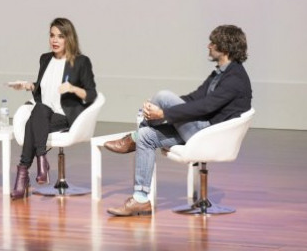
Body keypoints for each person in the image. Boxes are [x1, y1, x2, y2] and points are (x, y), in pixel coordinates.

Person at [105, 24, 251, 216]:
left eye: (212, 43)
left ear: (224, 47)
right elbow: (194, 98)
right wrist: (160, 109)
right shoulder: (221, 72)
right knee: (147, 137)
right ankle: (140, 199)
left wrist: (164, 113)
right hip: (200, 129)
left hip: (210, 135)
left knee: (163, 95)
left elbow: (205, 107)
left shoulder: (235, 79)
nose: (208, 46)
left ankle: (132, 136)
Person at [8, 17, 97, 200]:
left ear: (69, 38)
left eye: (60, 36)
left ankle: (24, 173)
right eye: (52, 35)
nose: (54, 40)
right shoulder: (45, 59)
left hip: (65, 115)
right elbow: (42, 91)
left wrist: (72, 88)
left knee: (33, 122)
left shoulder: (80, 62)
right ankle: (41, 159)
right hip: (44, 111)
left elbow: (91, 94)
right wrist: (29, 86)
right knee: (39, 110)